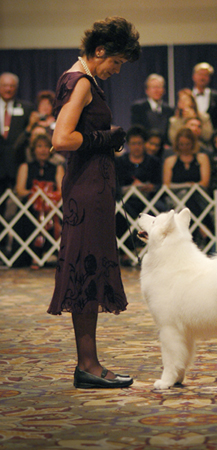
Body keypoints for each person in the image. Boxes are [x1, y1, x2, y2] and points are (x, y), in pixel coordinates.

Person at [47, 16, 141, 389]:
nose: (116, 70)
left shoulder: (80, 78)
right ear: (100, 50)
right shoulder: (82, 82)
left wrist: (103, 138)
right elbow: (61, 139)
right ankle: (87, 365)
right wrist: (106, 137)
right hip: (87, 193)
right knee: (86, 274)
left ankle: (90, 363)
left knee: (89, 273)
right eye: (116, 62)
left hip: (91, 190)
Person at [15, 133, 64, 269]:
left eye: (46, 146)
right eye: (39, 146)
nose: (43, 150)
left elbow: (61, 190)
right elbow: (20, 190)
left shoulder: (57, 168)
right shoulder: (25, 167)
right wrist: (37, 195)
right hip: (31, 207)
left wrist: (48, 196)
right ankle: (32, 255)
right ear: (33, 149)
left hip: (52, 206)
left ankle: (53, 253)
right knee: (30, 215)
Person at [115, 125, 162, 265]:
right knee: (119, 213)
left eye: (140, 143)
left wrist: (150, 187)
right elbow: (116, 187)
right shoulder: (119, 162)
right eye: (133, 143)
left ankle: (156, 252)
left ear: (144, 144)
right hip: (126, 201)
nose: (137, 147)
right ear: (128, 145)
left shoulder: (154, 162)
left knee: (160, 210)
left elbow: (160, 185)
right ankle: (125, 251)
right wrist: (130, 188)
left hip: (149, 200)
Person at [163, 127, 212, 246]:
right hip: (176, 199)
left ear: (193, 144)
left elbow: (204, 183)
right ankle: (202, 228)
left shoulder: (202, 158)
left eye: (187, 144)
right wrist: (187, 186)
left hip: (199, 197)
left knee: (191, 198)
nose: (184, 147)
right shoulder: (170, 161)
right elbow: (166, 186)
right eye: (181, 144)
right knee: (186, 197)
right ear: (177, 144)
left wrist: (191, 188)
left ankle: (195, 234)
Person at [0, 72, 34, 201]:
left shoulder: (27, 108)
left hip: (18, 165)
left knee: (17, 208)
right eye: (4, 85)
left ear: (17, 87)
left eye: (12, 86)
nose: (8, 89)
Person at [130, 73, 174, 144]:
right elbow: (137, 130)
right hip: (145, 146)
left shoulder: (169, 110)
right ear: (147, 90)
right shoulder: (138, 107)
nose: (156, 90)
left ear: (164, 90)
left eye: (159, 87)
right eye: (153, 87)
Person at [192, 62, 217, 130]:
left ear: (209, 78)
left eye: (206, 75)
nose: (202, 77)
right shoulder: (186, 96)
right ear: (193, 76)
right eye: (200, 74)